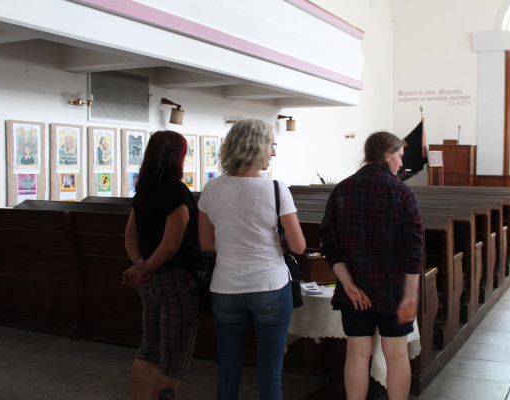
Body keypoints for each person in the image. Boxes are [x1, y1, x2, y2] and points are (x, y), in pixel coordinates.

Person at [198, 119, 306, 400]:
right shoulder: (276, 189)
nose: (274, 152)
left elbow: (206, 243)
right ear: (256, 147)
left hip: (225, 287)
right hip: (270, 284)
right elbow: (298, 245)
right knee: (270, 371)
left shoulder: (211, 188)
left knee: (228, 368)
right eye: (271, 145)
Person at [320, 131, 423, 400]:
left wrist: (348, 284)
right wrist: (410, 295)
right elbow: (414, 250)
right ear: (387, 155)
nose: (401, 163)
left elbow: (328, 243)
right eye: (400, 156)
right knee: (396, 355)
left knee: (356, 353)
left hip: (355, 291)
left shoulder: (341, 190)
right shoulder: (402, 192)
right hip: (393, 291)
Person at [123, 130, 209, 400]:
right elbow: (171, 245)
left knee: (150, 349)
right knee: (173, 357)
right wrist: (145, 268)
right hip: (178, 281)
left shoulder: (143, 191)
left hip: (149, 282)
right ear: (177, 156)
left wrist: (140, 265)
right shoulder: (176, 192)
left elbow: (131, 236)